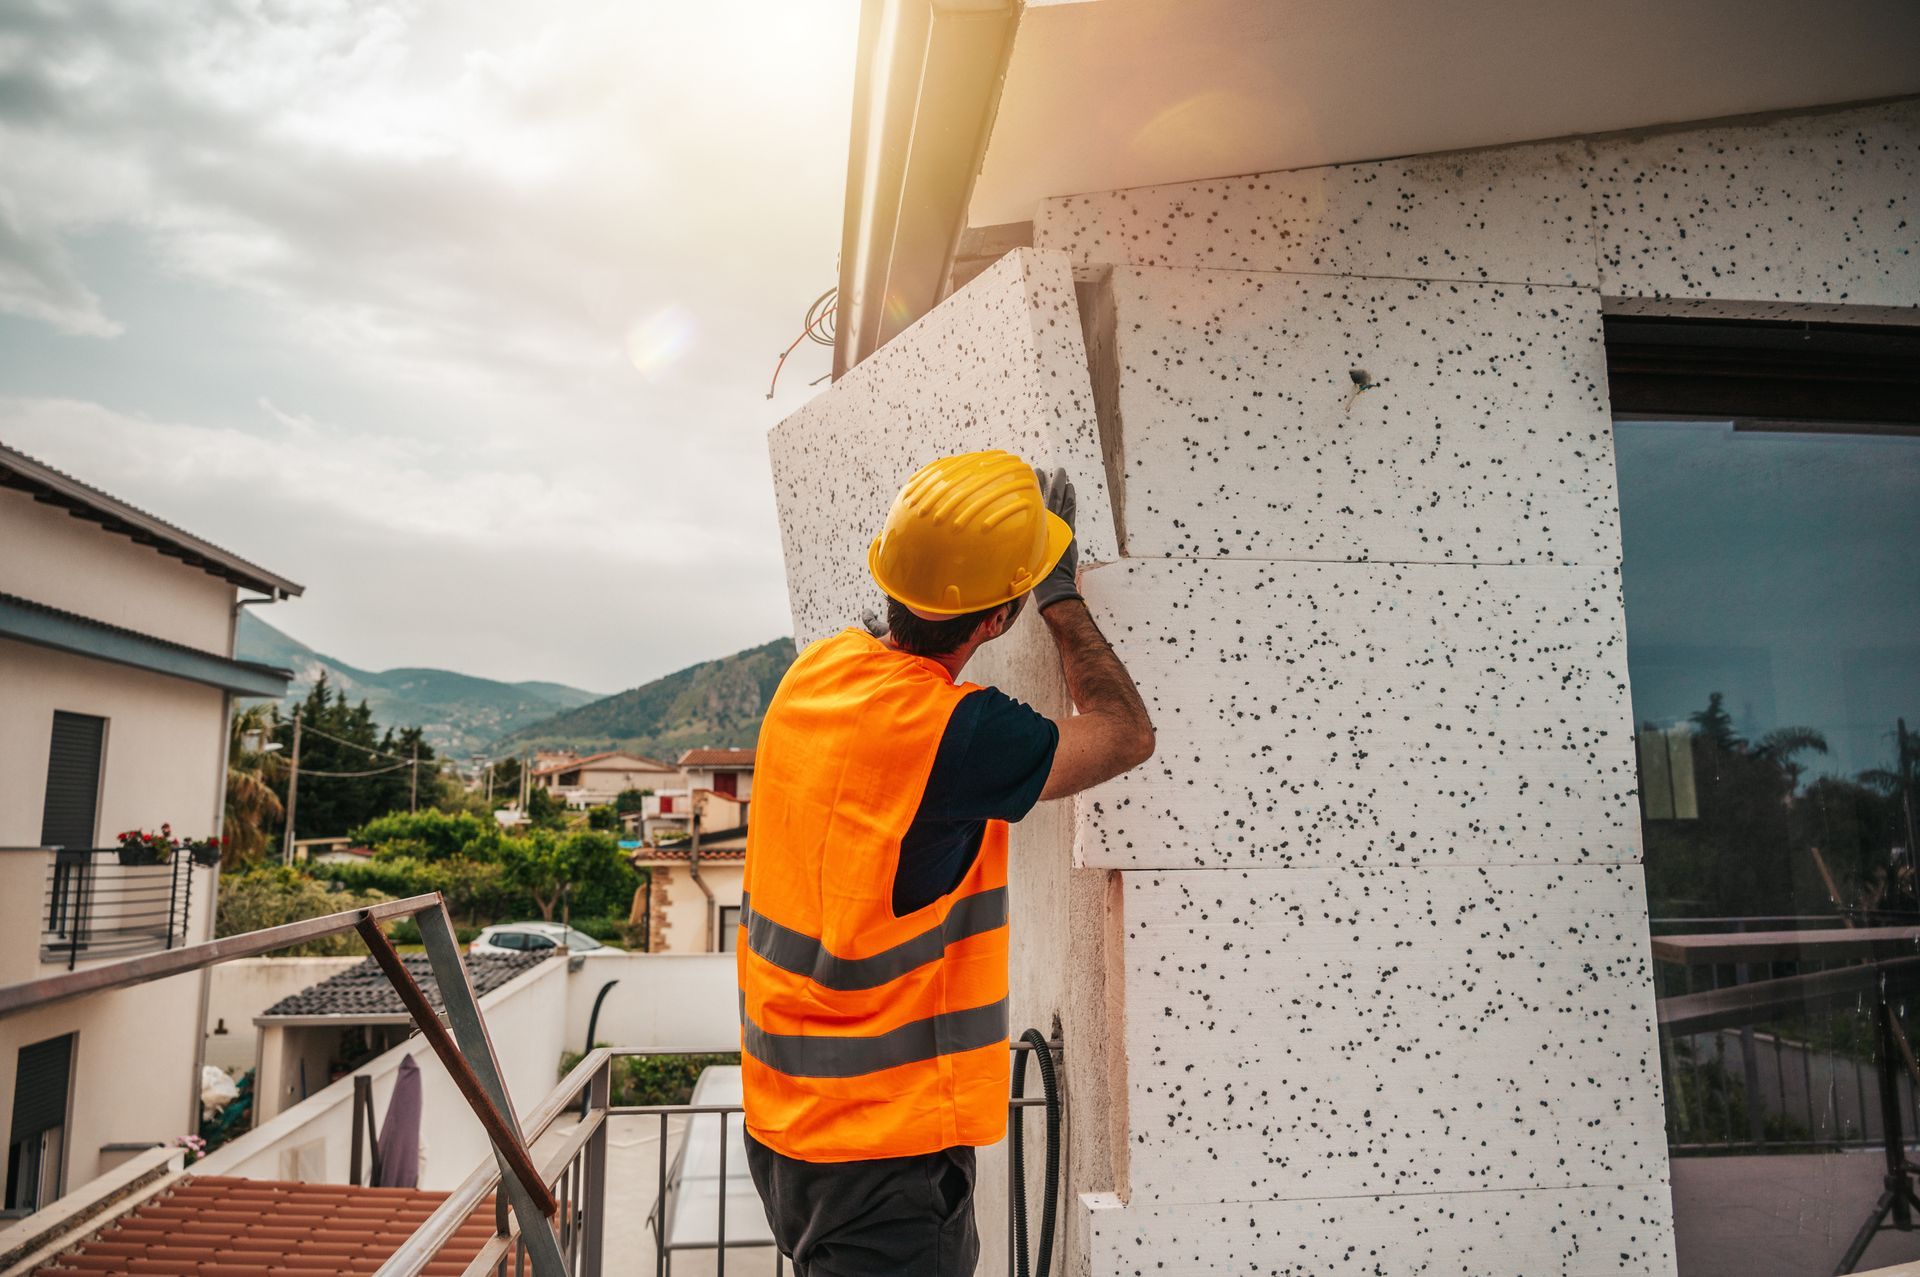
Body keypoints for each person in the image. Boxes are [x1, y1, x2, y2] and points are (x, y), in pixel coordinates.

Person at [738, 449, 1156, 1275]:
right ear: (996, 621)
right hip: (882, 1161)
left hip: (786, 1130)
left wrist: (981, 549)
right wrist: (1060, 593)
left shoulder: (814, 673)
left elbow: (900, 628)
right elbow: (1124, 733)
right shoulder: (958, 736)